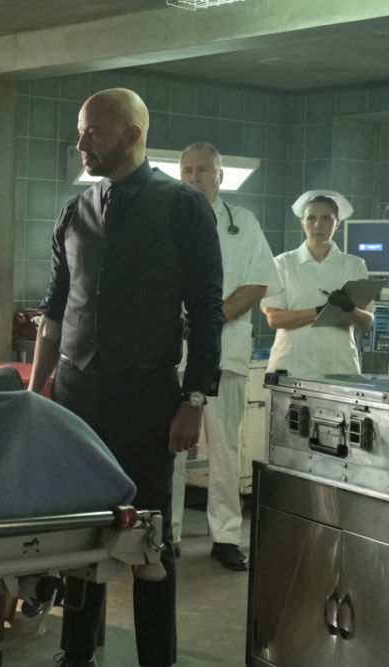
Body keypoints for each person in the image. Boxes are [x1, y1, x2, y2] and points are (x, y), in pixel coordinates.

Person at [27, 89, 224, 667]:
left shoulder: (183, 208)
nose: (81, 143)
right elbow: (55, 310)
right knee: (81, 529)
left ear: (133, 135)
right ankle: (77, 652)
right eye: (80, 131)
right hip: (76, 394)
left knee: (150, 539)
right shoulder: (76, 211)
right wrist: (36, 391)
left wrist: (194, 398)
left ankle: (156, 659)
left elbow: (206, 311)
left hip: (147, 398)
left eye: (93, 132)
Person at [170, 142, 282, 571]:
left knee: (224, 449)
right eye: (187, 170)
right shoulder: (167, 217)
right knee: (171, 449)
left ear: (220, 175)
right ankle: (167, 535)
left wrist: (208, 321)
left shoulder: (243, 223)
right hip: (173, 356)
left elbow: (258, 283)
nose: (194, 177)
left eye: (203, 169)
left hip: (225, 355)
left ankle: (226, 536)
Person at [261, 190, 374, 376]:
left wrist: (350, 309)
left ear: (337, 223)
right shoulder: (283, 264)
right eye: (311, 218)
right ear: (302, 223)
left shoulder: (354, 266)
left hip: (340, 366)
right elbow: (274, 319)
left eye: (326, 218)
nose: (317, 225)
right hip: (291, 365)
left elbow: (367, 323)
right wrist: (320, 311)